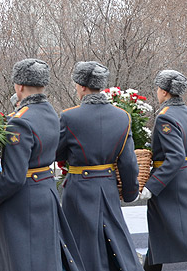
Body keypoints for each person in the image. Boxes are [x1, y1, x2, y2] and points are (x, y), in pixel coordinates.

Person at [0, 59, 84, 271]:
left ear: (19, 86)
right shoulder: (51, 112)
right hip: (46, 191)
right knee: (44, 259)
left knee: (22, 260)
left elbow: (14, 178)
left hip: (23, 199)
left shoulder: (19, 121)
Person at [57, 61, 142, 271]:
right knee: (114, 240)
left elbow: (57, 153)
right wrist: (131, 193)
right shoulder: (123, 116)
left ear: (83, 86)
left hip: (78, 188)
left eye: (77, 83)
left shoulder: (69, 116)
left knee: (80, 246)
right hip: (108, 186)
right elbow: (129, 162)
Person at [141, 70, 187, 271]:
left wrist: (153, 184)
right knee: (185, 232)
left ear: (165, 92)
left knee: (167, 233)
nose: (157, 92)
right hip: (186, 179)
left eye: (158, 88)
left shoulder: (165, 117)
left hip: (169, 184)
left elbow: (174, 156)